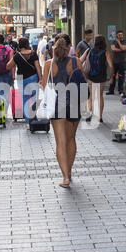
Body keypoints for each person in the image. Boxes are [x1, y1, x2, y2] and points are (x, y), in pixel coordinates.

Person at [41, 37, 82, 189]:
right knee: (71, 140)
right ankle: (69, 172)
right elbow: (82, 80)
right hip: (74, 104)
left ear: (54, 49)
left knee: (60, 142)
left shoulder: (48, 64)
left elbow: (44, 86)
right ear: (68, 48)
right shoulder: (76, 62)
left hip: (56, 105)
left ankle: (65, 177)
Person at [7, 37, 42, 123]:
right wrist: (40, 78)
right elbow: (38, 67)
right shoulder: (33, 54)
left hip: (21, 79)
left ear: (20, 45)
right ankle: (33, 116)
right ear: (27, 44)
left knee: (25, 99)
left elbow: (8, 66)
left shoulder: (17, 56)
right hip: (33, 77)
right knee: (34, 98)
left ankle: (28, 120)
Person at [83, 35, 113, 123]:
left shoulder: (89, 50)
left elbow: (81, 60)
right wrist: (112, 77)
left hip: (91, 77)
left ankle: (89, 114)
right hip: (101, 77)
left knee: (91, 96)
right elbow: (111, 66)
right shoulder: (106, 52)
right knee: (100, 96)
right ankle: (100, 117)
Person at [108, 30, 126, 95]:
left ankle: (120, 90)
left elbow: (124, 48)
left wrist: (119, 43)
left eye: (121, 35)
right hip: (114, 62)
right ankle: (111, 91)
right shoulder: (113, 42)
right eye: (119, 35)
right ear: (117, 35)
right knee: (112, 76)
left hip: (122, 62)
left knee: (121, 76)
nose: (120, 36)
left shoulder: (125, 41)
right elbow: (113, 49)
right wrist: (121, 49)